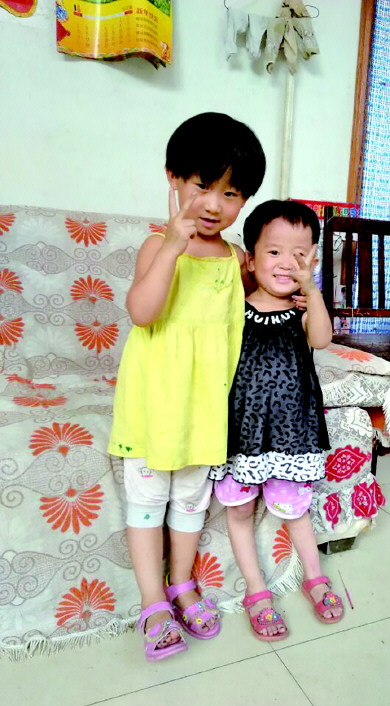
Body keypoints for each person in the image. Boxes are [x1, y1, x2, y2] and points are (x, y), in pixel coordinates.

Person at [108, 112, 266, 661]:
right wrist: (173, 247)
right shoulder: (158, 247)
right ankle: (152, 600)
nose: (214, 204)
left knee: (190, 502)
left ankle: (182, 584)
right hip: (155, 406)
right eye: (202, 185)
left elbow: (242, 317)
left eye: (231, 193)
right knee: (148, 501)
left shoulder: (234, 260)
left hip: (205, 408)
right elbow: (142, 313)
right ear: (173, 178)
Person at [209, 200, 344, 642]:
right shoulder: (234, 308)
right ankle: (256, 590)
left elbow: (321, 339)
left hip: (292, 432)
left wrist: (314, 292)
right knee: (240, 509)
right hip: (243, 431)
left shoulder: (305, 310)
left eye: (300, 254)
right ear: (250, 259)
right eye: (274, 252)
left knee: (295, 508)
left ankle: (315, 577)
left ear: (313, 262)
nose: (287, 263)